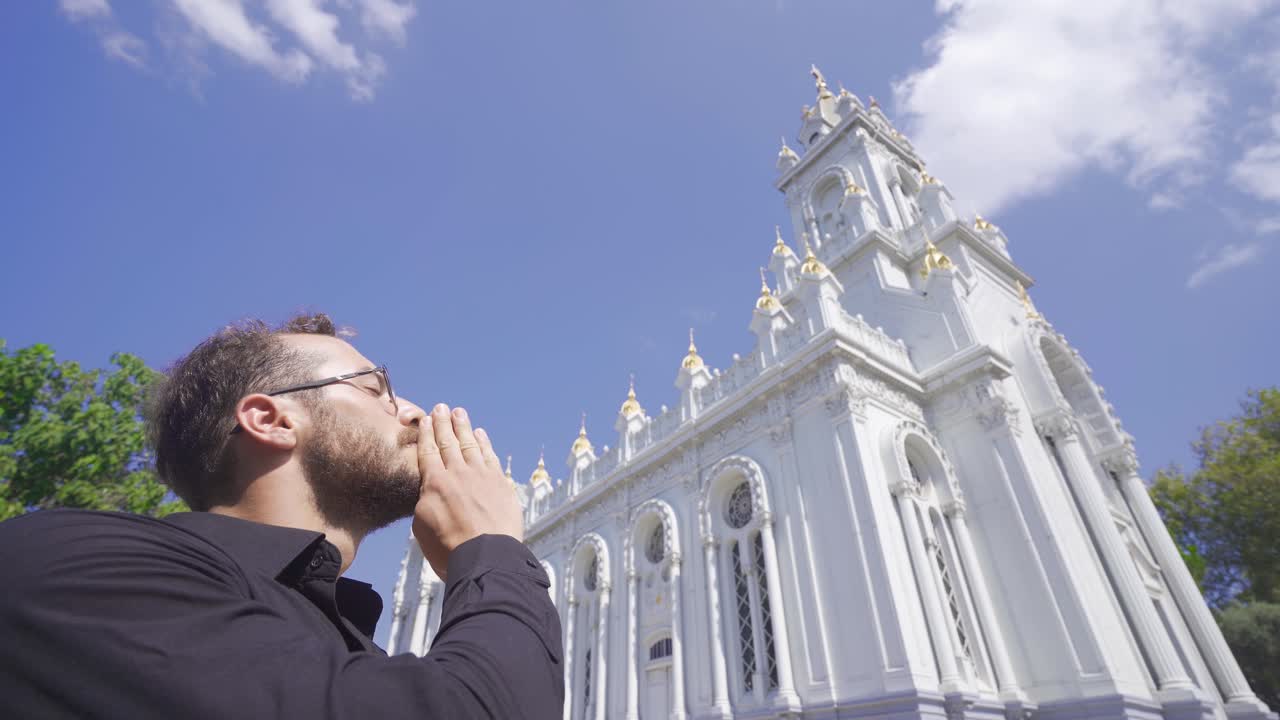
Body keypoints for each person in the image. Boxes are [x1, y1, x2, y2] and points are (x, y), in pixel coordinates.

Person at [0, 313, 563, 719]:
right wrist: (490, 548)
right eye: (378, 390)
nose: (415, 412)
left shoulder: (357, 651)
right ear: (270, 419)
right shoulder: (71, 562)